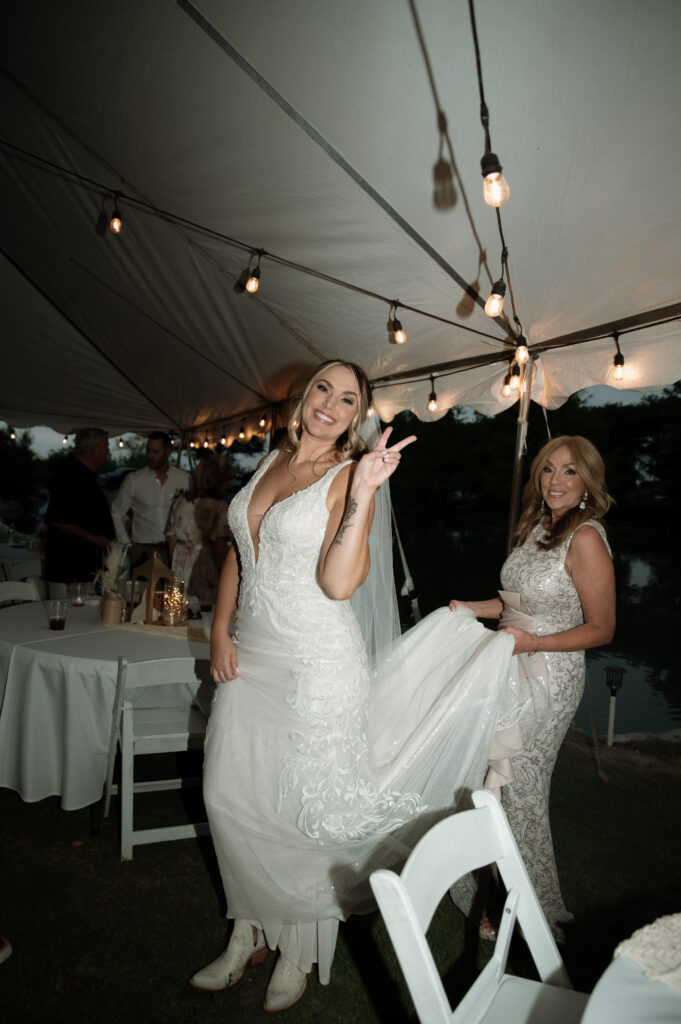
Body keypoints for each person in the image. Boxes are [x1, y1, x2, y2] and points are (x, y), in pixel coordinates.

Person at [190, 361, 530, 1011]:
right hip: (250, 659)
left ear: (357, 416)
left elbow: (339, 582)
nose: (330, 403)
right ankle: (248, 927)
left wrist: (365, 492)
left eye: (348, 399)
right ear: (303, 396)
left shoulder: (348, 473)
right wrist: (219, 632)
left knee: (301, 811)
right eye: (323, 388)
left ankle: (297, 948)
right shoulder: (270, 461)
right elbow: (239, 550)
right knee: (228, 794)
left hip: (315, 663)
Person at [449, 435, 615, 942]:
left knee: (520, 785)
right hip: (512, 661)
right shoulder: (538, 529)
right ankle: (495, 891)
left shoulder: (585, 537)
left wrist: (535, 643)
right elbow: (515, 606)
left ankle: (533, 909)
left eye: (569, 471)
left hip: (551, 673)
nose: (555, 481)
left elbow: (602, 628)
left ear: (588, 482)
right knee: (491, 780)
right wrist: (470, 609)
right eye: (547, 469)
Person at [44, 428, 114, 597]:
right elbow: (58, 520)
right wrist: (94, 539)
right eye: (106, 447)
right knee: (68, 609)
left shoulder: (85, 474)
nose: (108, 452)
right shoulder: (69, 474)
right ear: (94, 450)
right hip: (68, 566)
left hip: (83, 566)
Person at [111, 432, 188, 568]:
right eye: (148, 451)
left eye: (155, 451)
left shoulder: (184, 479)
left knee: (174, 583)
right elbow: (116, 512)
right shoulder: (134, 479)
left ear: (168, 452)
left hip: (175, 549)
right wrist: (127, 545)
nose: (149, 456)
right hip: (143, 550)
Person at [166, 456, 234, 606]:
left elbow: (171, 537)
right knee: (201, 610)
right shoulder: (218, 508)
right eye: (227, 481)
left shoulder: (180, 501)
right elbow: (220, 549)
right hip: (203, 565)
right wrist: (225, 574)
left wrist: (177, 562)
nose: (229, 485)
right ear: (216, 482)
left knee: (179, 608)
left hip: (180, 563)